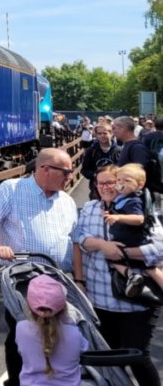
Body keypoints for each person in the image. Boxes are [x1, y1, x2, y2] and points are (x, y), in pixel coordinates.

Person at [0, 147, 78, 386]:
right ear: (45, 169)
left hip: (59, 279)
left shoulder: (66, 200)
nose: (70, 177)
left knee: (60, 332)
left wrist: (80, 280)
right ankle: (18, 380)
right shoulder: (12, 189)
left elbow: (74, 240)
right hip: (24, 279)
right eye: (66, 172)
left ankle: (53, 379)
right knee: (21, 333)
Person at [73, 164, 163, 386]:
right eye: (100, 183)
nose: (105, 187)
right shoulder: (91, 209)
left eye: (110, 182)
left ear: (122, 182)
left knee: (137, 356)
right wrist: (102, 245)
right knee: (109, 357)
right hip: (101, 299)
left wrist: (122, 252)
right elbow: (78, 237)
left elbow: (159, 248)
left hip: (136, 300)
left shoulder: (137, 207)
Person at [16, 275, 88, 386]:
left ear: (28, 305)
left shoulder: (21, 329)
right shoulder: (74, 334)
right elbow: (84, 348)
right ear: (64, 307)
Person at [103, 164, 163, 296]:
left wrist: (118, 217)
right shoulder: (122, 199)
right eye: (118, 180)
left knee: (112, 258)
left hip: (132, 241)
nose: (121, 183)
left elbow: (139, 219)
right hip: (127, 240)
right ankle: (132, 276)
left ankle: (131, 275)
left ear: (139, 185)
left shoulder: (133, 201)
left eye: (127, 180)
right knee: (147, 268)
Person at [80, 123, 118, 199]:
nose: (102, 136)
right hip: (96, 190)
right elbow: (84, 170)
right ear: (96, 135)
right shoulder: (91, 151)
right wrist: (95, 175)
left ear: (111, 134)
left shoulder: (120, 151)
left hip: (115, 190)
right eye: (99, 133)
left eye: (105, 133)